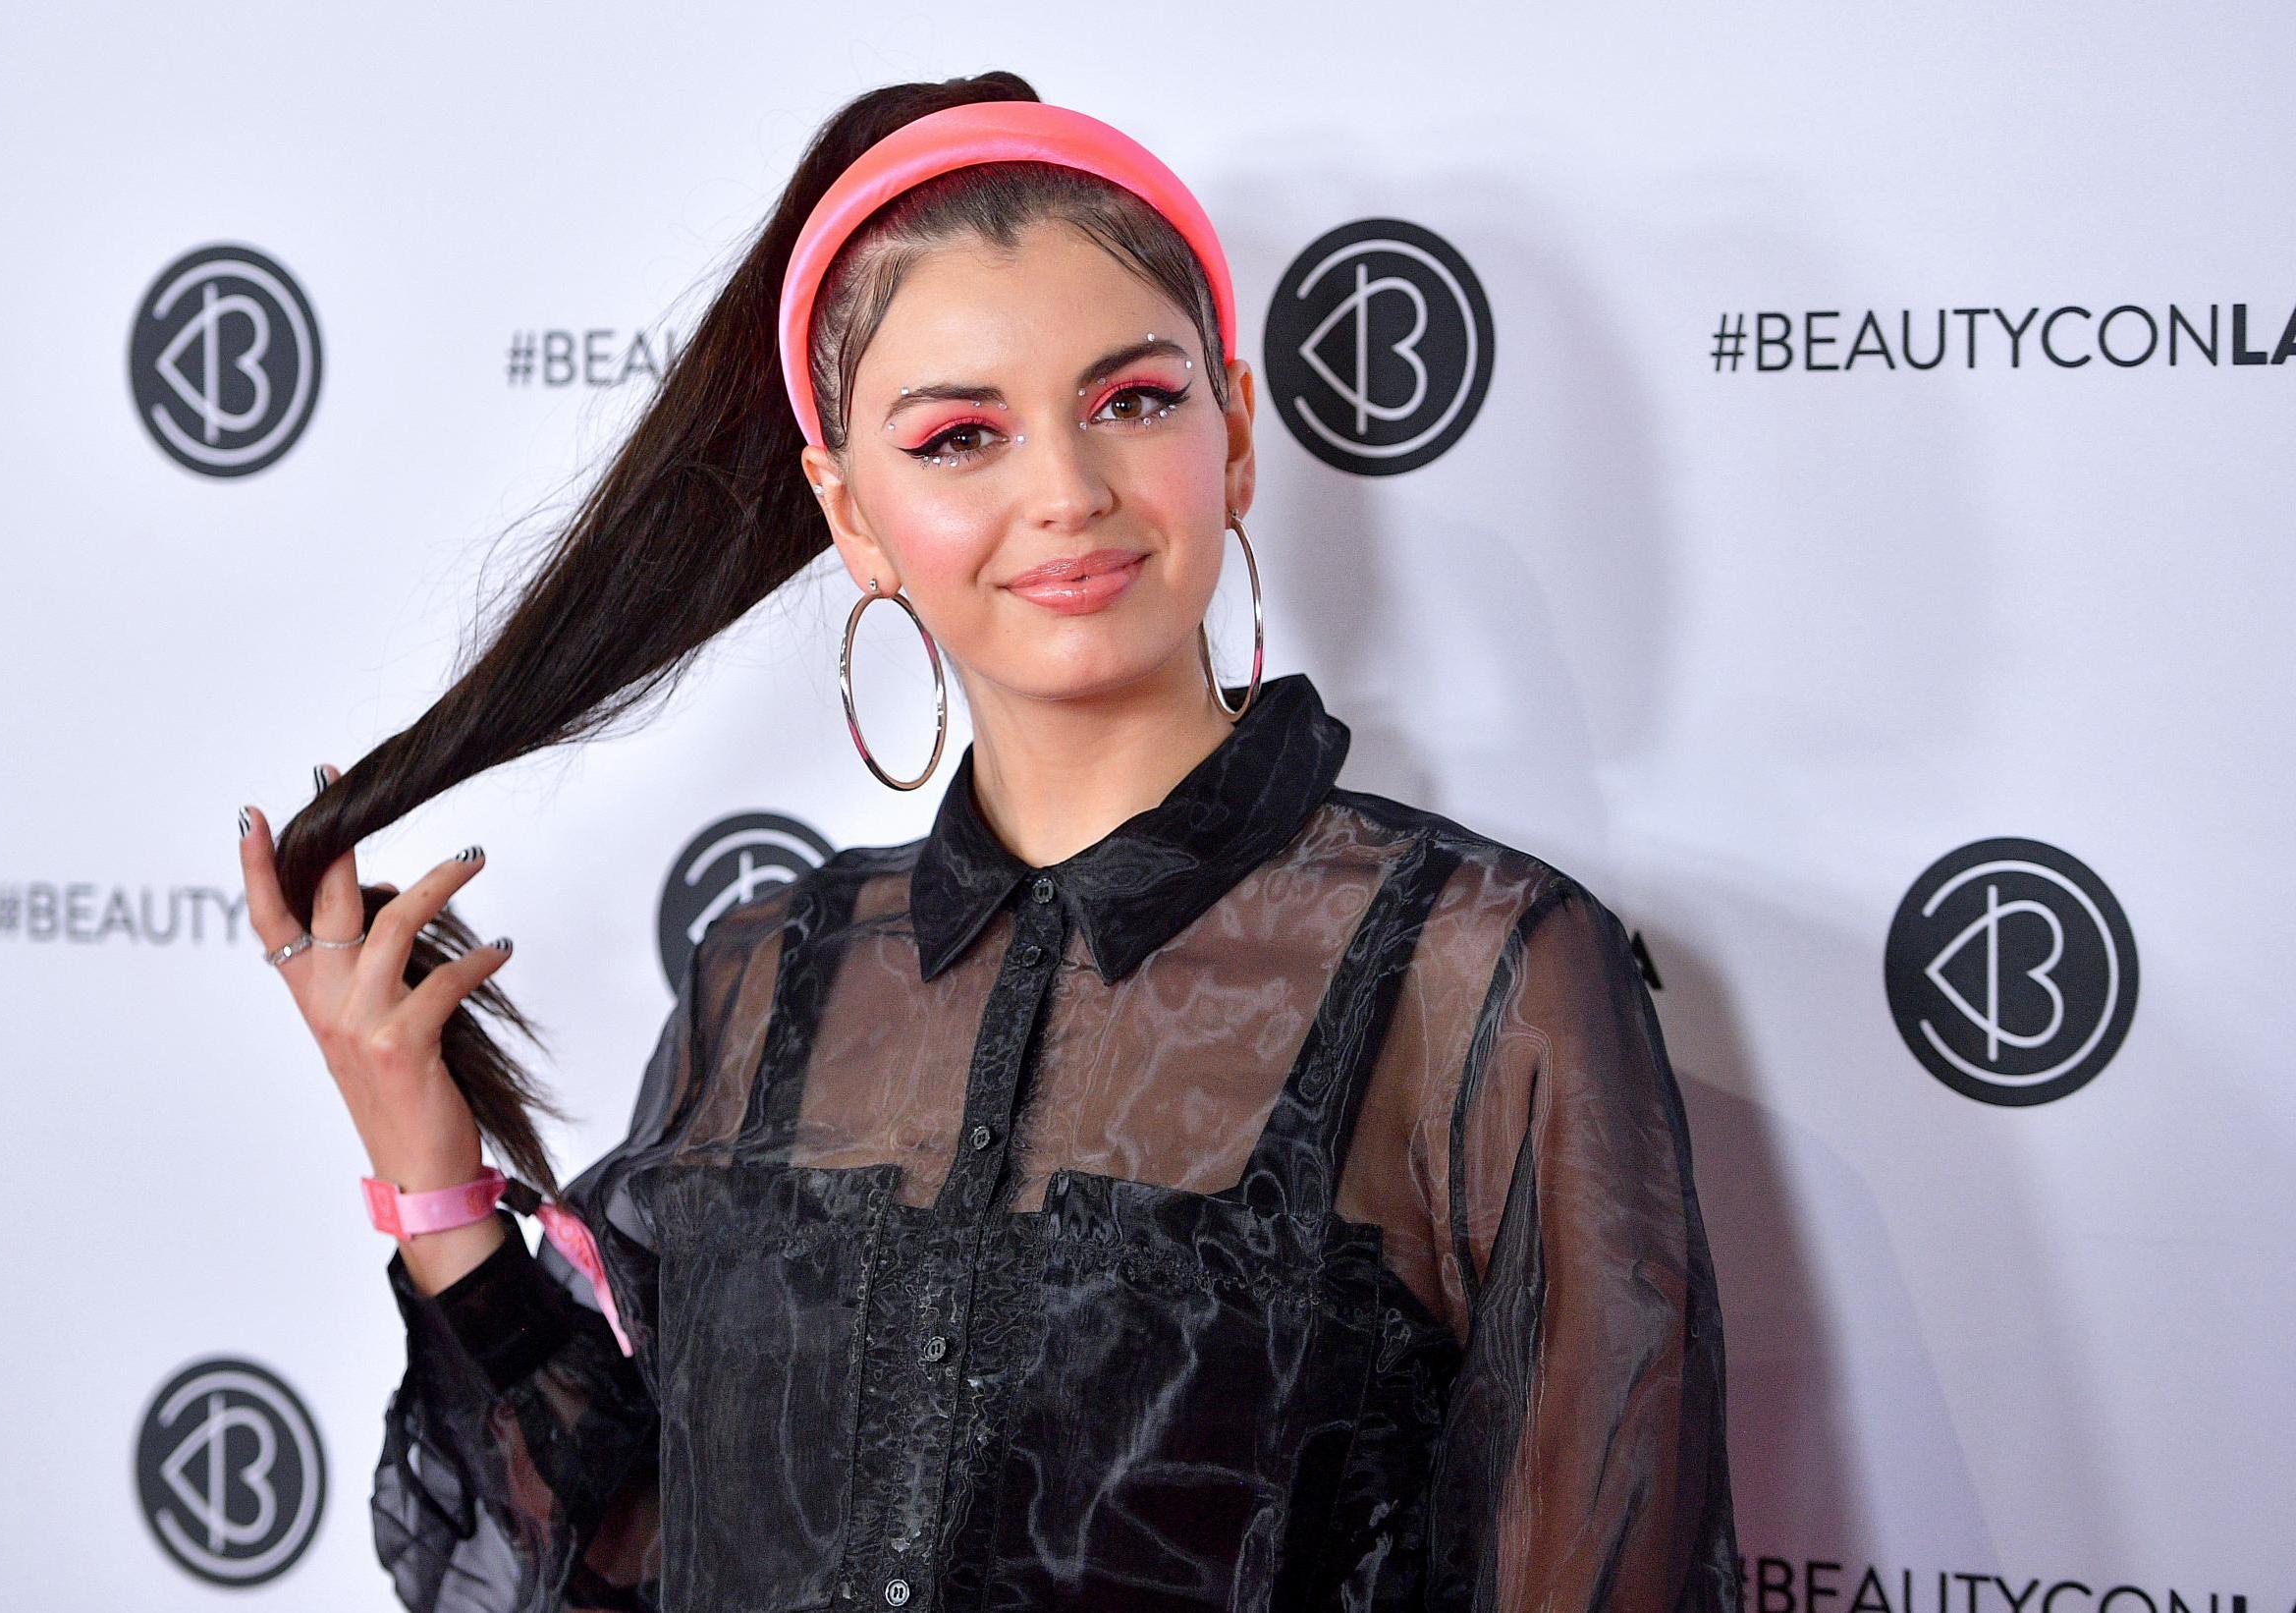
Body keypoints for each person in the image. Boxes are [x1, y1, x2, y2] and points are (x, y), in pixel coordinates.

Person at [239, 72, 1740, 1613]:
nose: (1067, 494)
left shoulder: (1479, 968)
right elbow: (637, 1553)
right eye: (962, 437)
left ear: (1230, 438)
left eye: (1134, 401)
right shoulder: (767, 984)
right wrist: (429, 1173)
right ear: (854, 516)